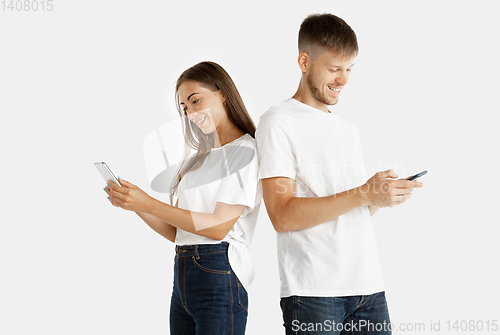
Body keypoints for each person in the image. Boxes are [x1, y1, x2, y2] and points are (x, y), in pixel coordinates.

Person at [255, 14, 423, 335]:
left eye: (350, 69)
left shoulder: (348, 129)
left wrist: (378, 198)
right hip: (314, 293)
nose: (343, 79)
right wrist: (362, 193)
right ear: (305, 62)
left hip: (368, 286)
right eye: (334, 69)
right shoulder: (277, 122)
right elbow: (281, 215)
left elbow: (348, 210)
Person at [105, 61, 262, 335]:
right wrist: (135, 205)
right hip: (184, 272)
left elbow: (217, 227)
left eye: (195, 100)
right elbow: (178, 232)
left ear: (223, 93)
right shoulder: (197, 161)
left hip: (219, 270)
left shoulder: (245, 151)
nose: (191, 112)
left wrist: (148, 203)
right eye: (185, 107)